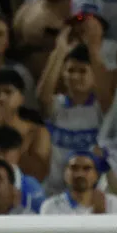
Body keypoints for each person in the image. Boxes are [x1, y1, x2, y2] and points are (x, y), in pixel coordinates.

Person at [38, 43, 107, 195]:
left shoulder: (101, 108)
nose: (75, 76)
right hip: (54, 191)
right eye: (70, 70)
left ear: (94, 75)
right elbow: (42, 97)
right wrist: (59, 52)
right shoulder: (57, 105)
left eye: (82, 71)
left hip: (91, 193)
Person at [41, 153, 117, 216]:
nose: (79, 174)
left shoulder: (112, 202)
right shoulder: (51, 205)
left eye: (86, 168)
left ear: (96, 175)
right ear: (65, 173)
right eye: (74, 168)